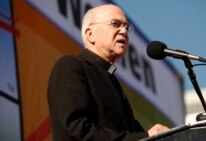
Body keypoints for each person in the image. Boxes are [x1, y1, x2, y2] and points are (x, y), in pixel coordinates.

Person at [47, 4, 169, 141]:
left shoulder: (113, 83)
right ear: (90, 34)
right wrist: (146, 137)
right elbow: (75, 130)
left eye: (126, 27)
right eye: (115, 24)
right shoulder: (71, 66)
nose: (123, 31)